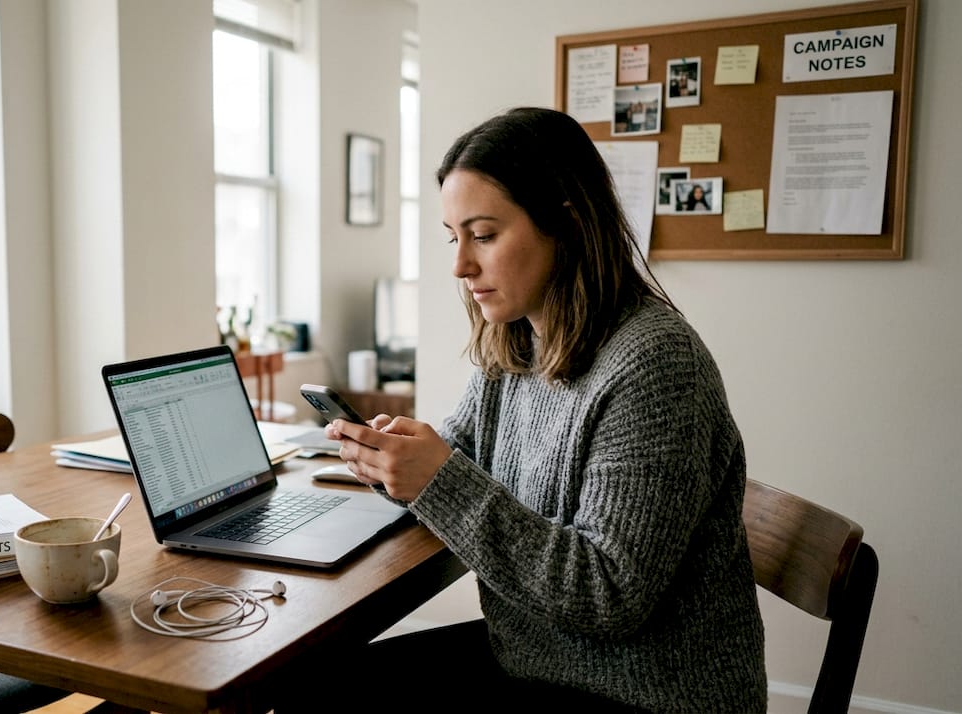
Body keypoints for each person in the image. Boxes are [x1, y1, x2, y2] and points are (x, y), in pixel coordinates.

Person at [306, 107, 767, 712]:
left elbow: (609, 595)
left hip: (644, 695)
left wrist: (438, 481)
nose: (460, 265)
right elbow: (461, 458)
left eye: (485, 235)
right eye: (454, 237)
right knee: (316, 685)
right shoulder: (519, 342)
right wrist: (399, 462)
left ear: (565, 224)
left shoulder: (655, 364)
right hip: (536, 658)